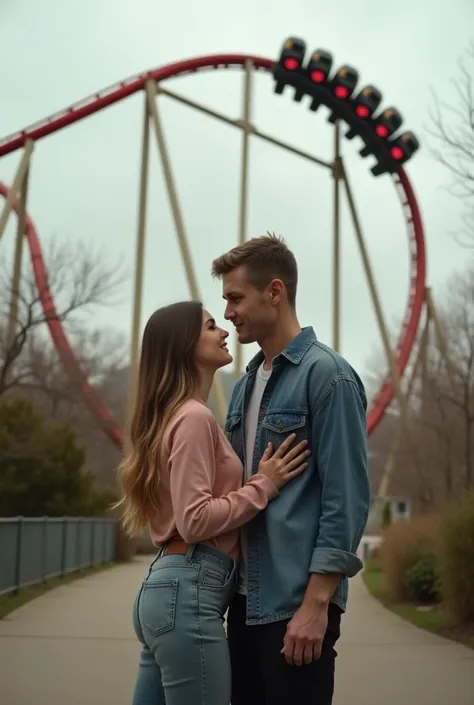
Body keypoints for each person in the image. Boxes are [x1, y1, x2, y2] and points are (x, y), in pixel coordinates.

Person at [116, 300, 311, 705]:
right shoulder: (194, 418)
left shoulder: (174, 416)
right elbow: (195, 520)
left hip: (166, 588)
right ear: (184, 345)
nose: (223, 329)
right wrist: (264, 484)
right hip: (188, 590)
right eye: (209, 326)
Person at [211, 233, 371, 705]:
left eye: (236, 298)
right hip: (241, 604)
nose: (228, 313)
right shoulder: (243, 387)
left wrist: (317, 603)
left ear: (274, 292)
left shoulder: (329, 376)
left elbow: (348, 498)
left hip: (294, 607)